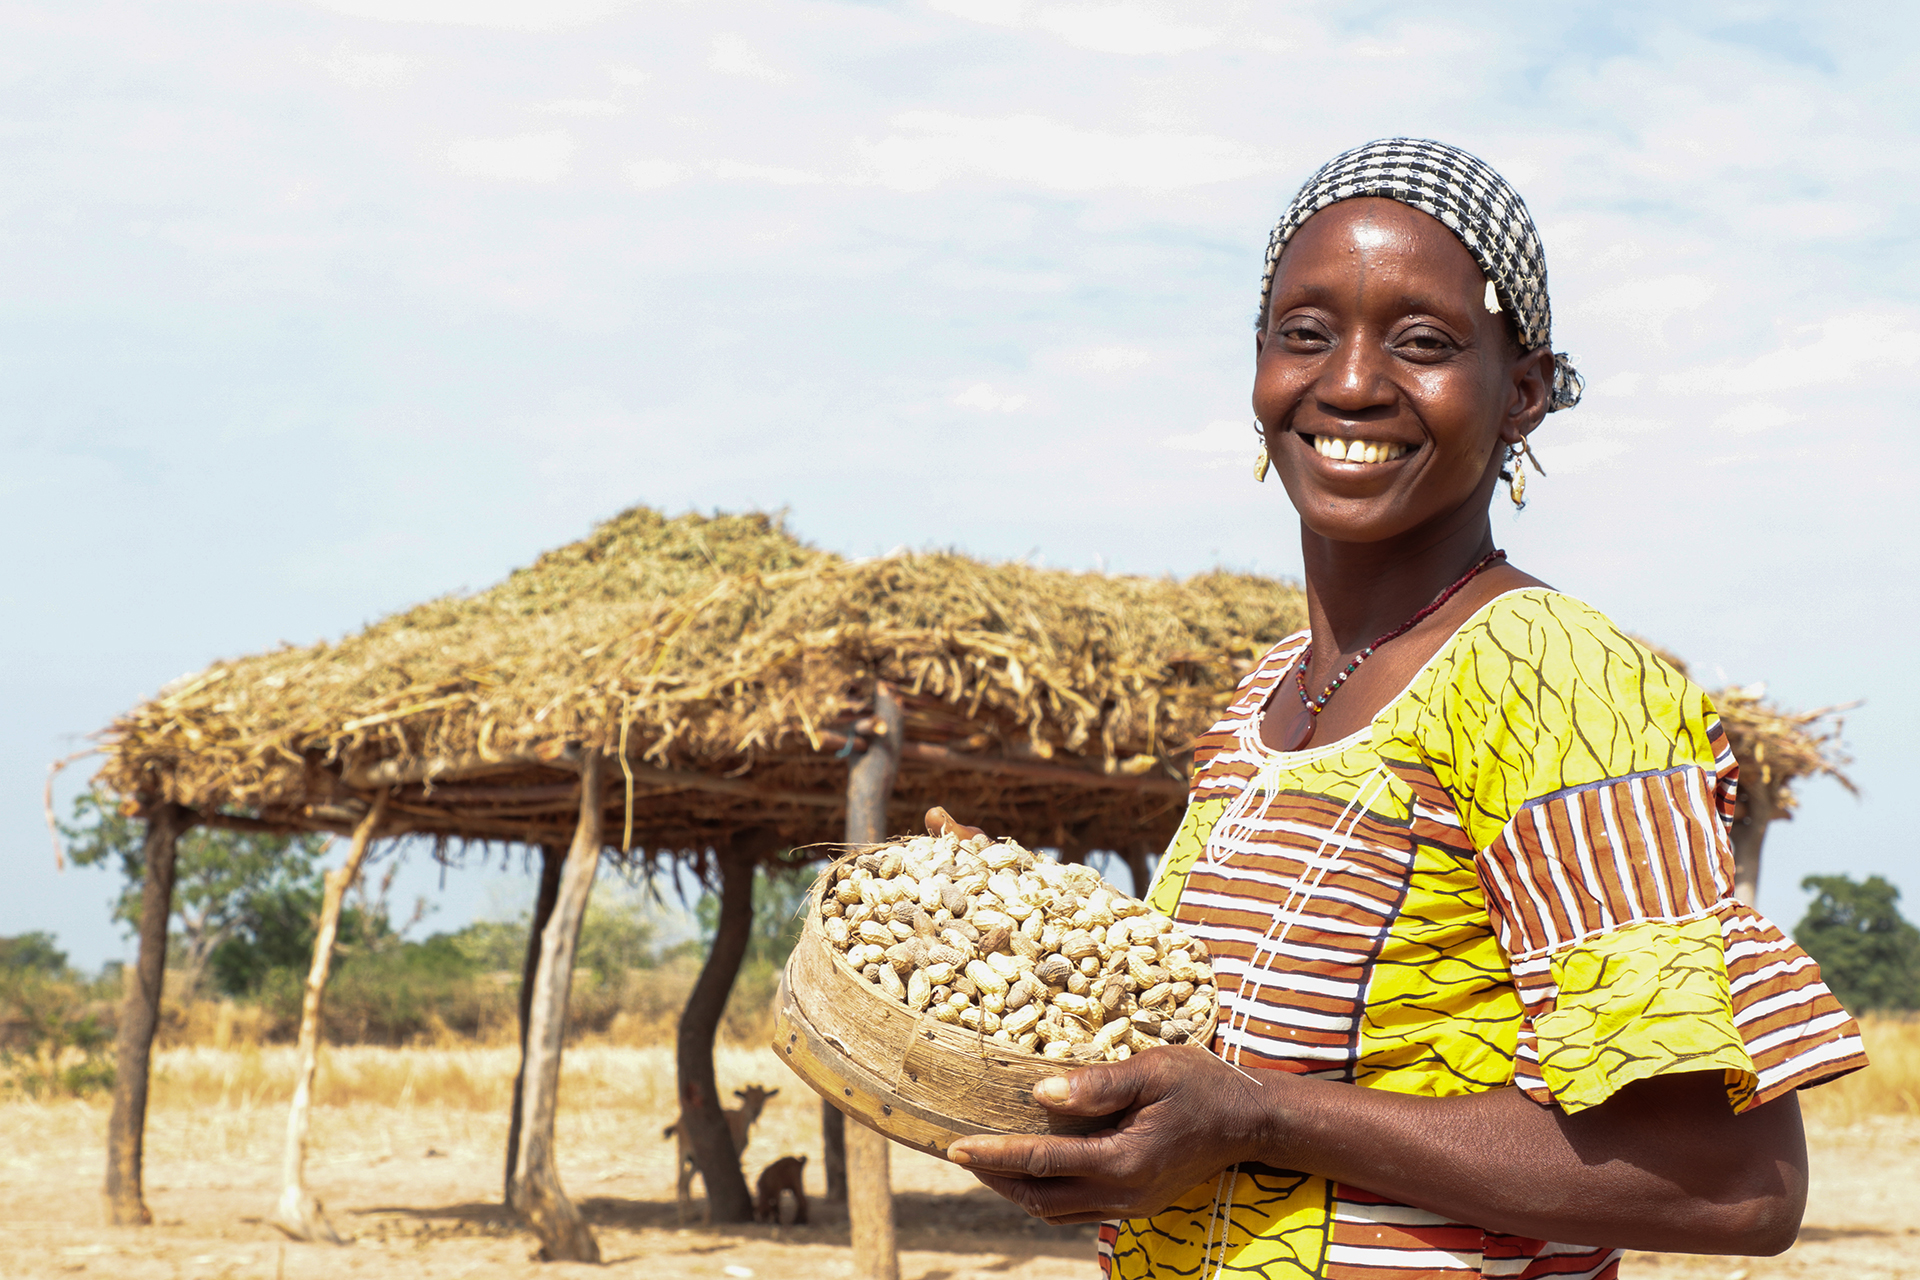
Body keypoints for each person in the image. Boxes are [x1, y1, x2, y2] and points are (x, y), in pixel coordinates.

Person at [936, 138, 1867, 1280]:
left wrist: (1257, 1117)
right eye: (1306, 333)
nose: (1353, 383)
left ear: (1523, 392)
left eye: (1423, 343)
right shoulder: (1265, 699)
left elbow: (1735, 1182)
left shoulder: (1556, 679)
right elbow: (1227, 1057)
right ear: (1261, 368)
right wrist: (1007, 928)